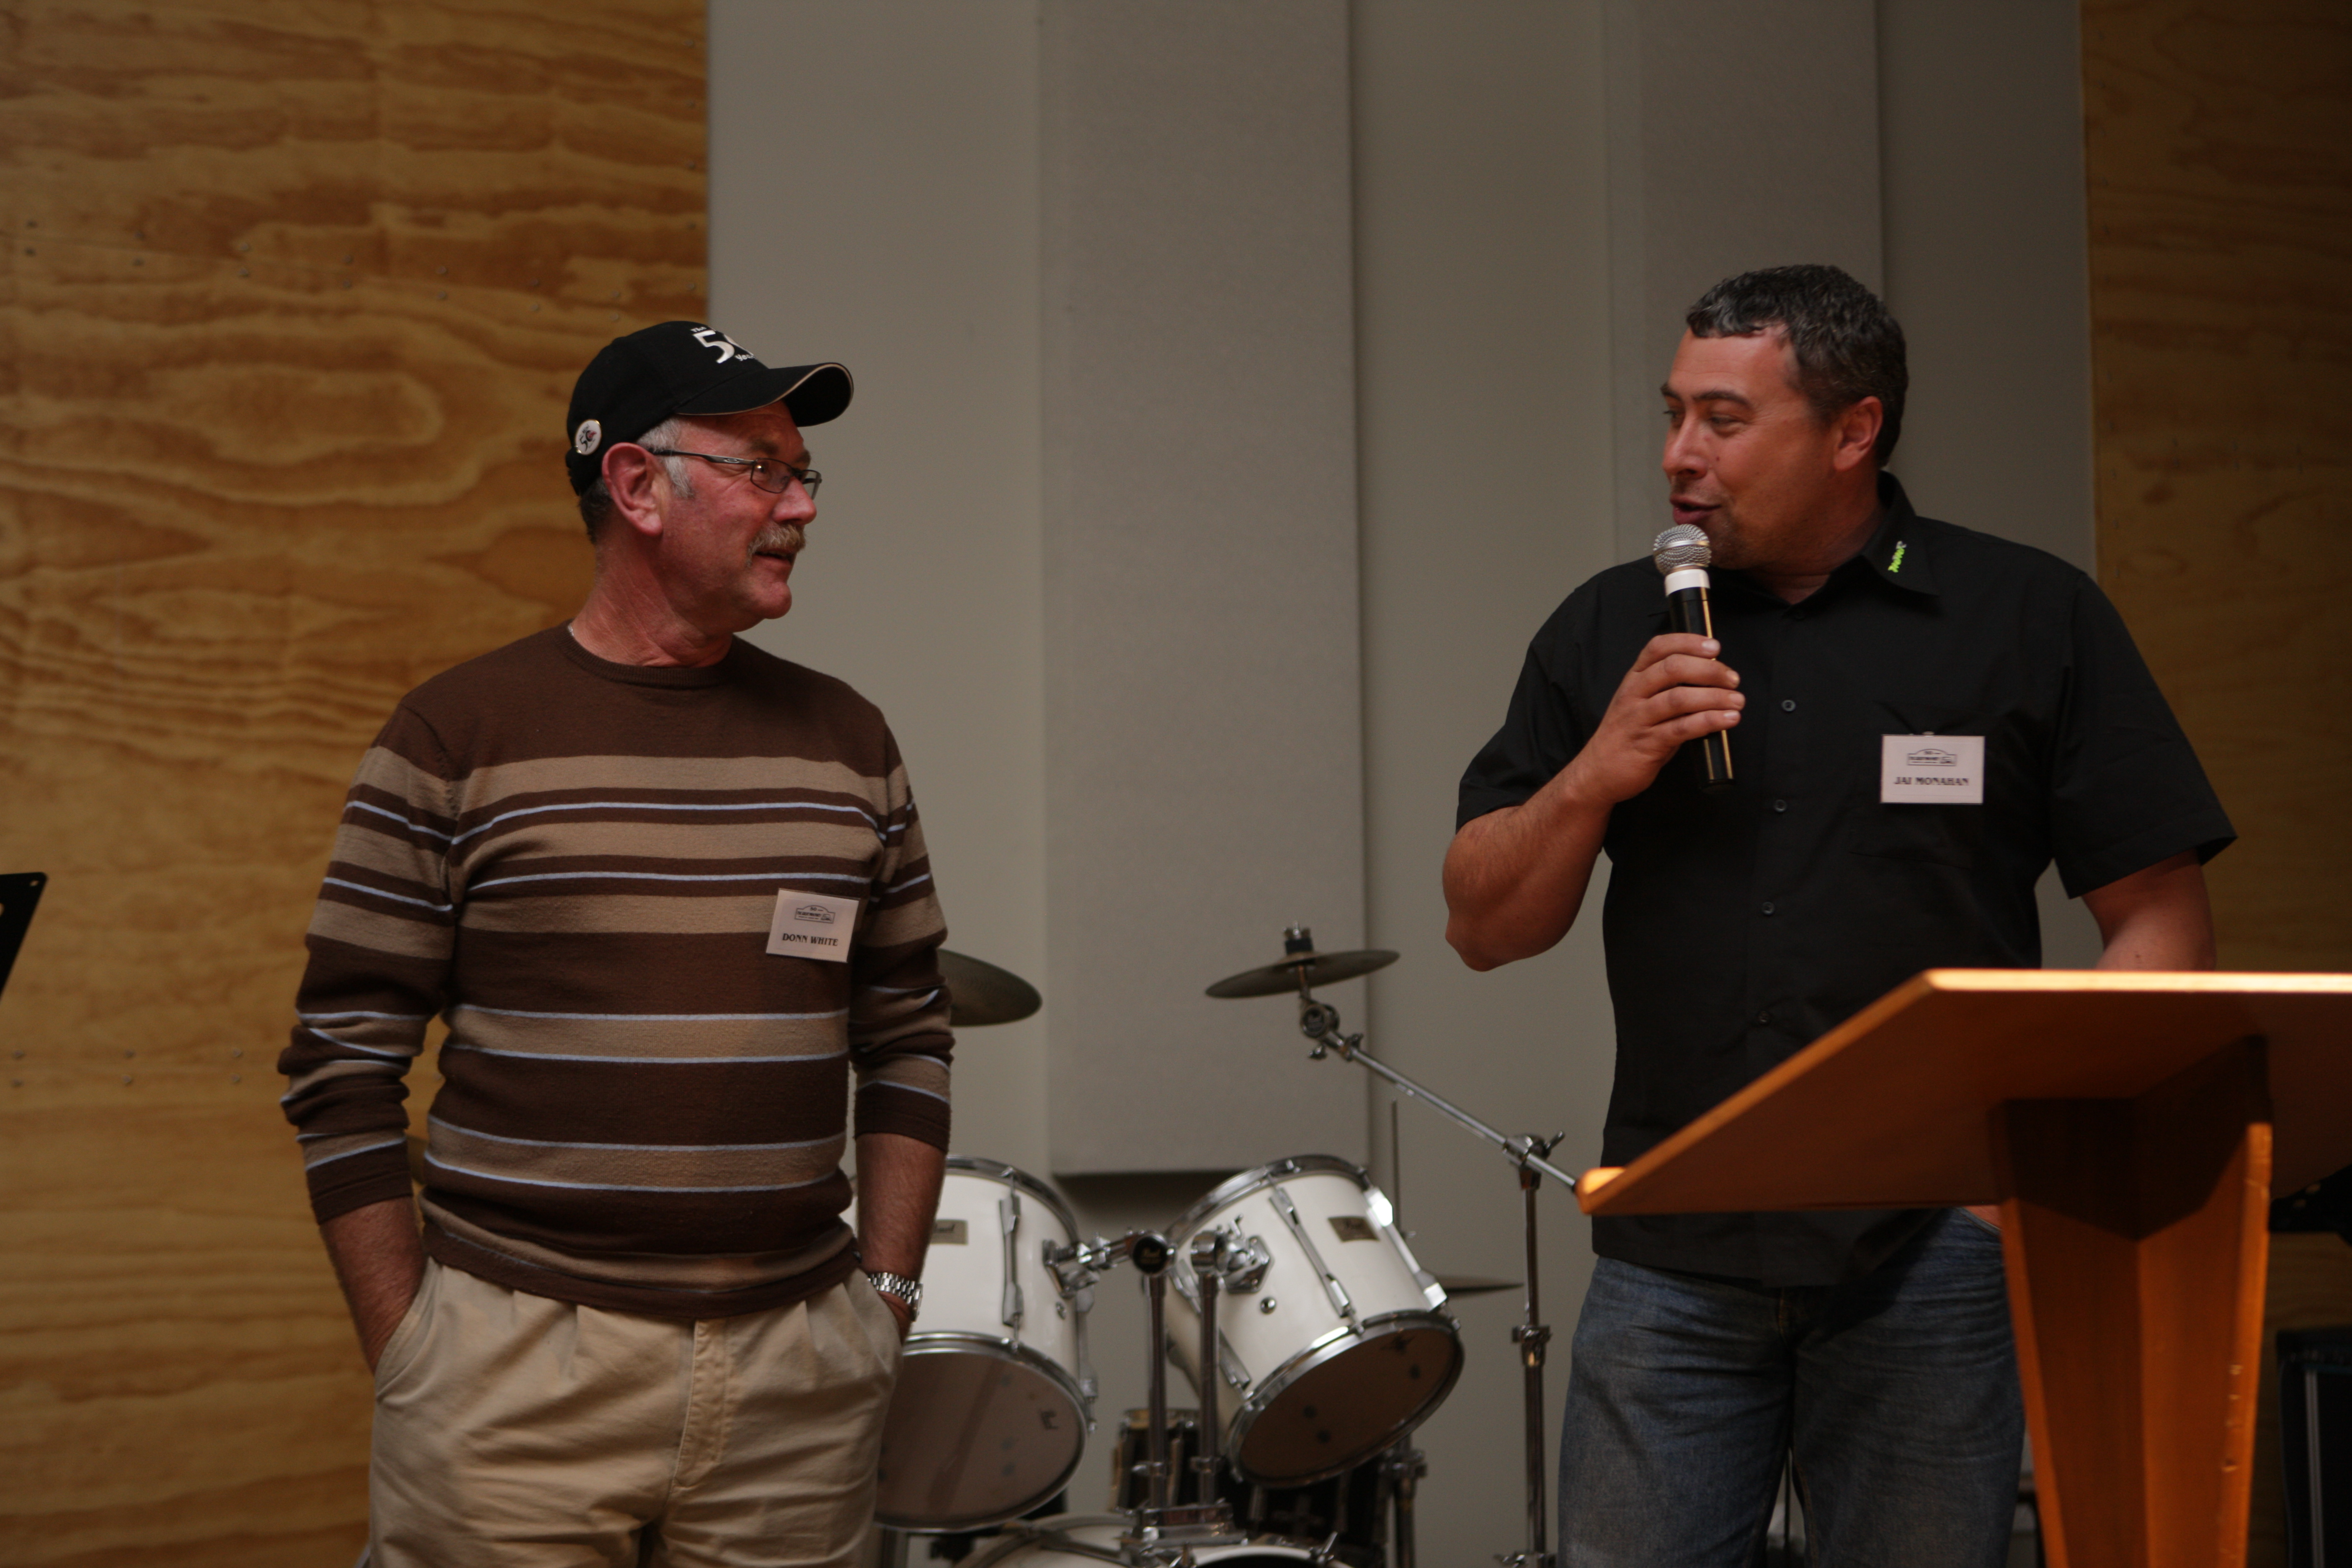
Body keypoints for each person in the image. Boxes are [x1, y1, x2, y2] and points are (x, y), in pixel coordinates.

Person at [1443, 266, 2231, 1566]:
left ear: (1853, 431)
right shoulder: (1610, 627)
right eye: (1674, 413)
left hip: (1930, 1252)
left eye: (1724, 419)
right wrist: (1595, 774)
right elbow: (1484, 925)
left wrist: (2016, 1189)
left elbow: (2162, 926)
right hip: (1672, 1249)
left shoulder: (2027, 617)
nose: (1678, 455)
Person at [277, 320, 953, 1568]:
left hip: (799, 1378)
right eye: (763, 469)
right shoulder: (455, 735)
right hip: (513, 1374)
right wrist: (412, 1346)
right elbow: (341, 1063)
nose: (802, 505)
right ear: (638, 486)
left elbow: (909, 1035)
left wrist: (889, 1299)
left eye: (804, 473)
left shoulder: (848, 740)